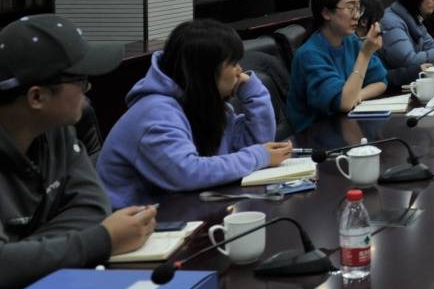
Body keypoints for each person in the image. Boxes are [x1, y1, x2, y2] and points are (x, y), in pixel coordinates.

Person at [0, 15, 155, 289]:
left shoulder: (56, 129)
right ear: (36, 98)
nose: (89, 88)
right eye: (80, 80)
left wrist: (15, 258)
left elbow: (93, 209)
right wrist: (102, 241)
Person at [97, 20, 293, 209]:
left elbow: (253, 146)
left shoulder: (202, 103)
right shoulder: (155, 113)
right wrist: (259, 156)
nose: (240, 70)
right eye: (233, 63)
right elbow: (188, 172)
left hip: (179, 210)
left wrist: (253, 93)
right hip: (136, 224)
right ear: (206, 71)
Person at [288, 0, 389, 133]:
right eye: (350, 8)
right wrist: (365, 54)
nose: (357, 15)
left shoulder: (350, 40)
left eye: (358, 8)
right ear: (326, 13)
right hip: (315, 135)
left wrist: (358, 95)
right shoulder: (309, 54)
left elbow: (381, 82)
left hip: (345, 126)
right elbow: (344, 103)